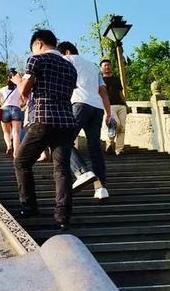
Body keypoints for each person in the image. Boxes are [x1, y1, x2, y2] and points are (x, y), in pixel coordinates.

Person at [10, 30, 78, 230]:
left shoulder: (36, 60)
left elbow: (24, 90)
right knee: (62, 169)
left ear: (38, 44)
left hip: (43, 119)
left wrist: (17, 80)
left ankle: (29, 206)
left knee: (21, 162)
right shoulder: (70, 67)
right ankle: (63, 215)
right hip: (66, 121)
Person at [58, 41, 114, 202]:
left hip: (80, 104)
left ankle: (82, 171)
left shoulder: (68, 59)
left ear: (67, 52)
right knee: (95, 147)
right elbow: (103, 91)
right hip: (97, 107)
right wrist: (108, 113)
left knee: (63, 140)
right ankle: (101, 188)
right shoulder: (93, 65)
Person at [101, 59, 128, 156]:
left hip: (121, 106)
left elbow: (120, 93)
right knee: (116, 124)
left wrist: (126, 104)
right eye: (105, 66)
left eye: (108, 65)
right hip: (109, 106)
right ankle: (109, 143)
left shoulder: (116, 79)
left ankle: (119, 149)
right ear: (101, 68)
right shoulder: (100, 80)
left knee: (122, 129)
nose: (107, 67)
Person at [0, 69, 24, 158]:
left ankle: (9, 146)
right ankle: (16, 154)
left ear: (8, 78)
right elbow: (23, 101)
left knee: (6, 132)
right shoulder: (19, 88)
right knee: (16, 133)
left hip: (5, 110)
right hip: (16, 109)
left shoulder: (2, 89)